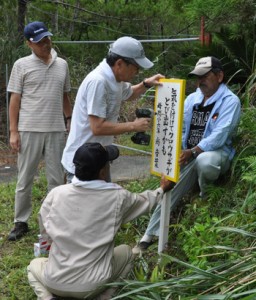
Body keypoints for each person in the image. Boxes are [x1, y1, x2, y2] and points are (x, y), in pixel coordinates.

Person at [27, 142, 172, 300]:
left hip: (55, 281)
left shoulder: (56, 194)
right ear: (103, 172)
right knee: (127, 253)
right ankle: (103, 297)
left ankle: (49, 298)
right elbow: (144, 201)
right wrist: (162, 189)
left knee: (33, 267)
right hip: (94, 285)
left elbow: (45, 231)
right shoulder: (118, 197)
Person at [137, 56, 241, 250]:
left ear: (219, 76)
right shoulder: (192, 98)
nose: (200, 81)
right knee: (169, 183)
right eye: (197, 77)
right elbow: (179, 128)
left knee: (205, 161)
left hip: (215, 154)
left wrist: (192, 152)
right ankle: (150, 234)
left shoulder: (230, 101)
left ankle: (204, 194)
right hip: (188, 153)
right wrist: (172, 156)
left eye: (205, 76)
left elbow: (219, 136)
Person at [61, 36, 164, 183]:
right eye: (136, 67)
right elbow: (97, 127)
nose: (138, 72)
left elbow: (129, 94)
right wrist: (133, 126)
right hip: (82, 163)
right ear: (120, 63)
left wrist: (146, 84)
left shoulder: (115, 78)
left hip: (98, 158)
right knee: (86, 205)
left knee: (101, 204)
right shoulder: (98, 82)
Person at [7, 21, 72, 241]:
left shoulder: (62, 64)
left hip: (55, 129)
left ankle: (55, 219)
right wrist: (14, 131)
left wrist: (69, 119)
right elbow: (14, 100)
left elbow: (65, 95)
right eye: (39, 41)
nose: (45, 43)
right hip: (29, 129)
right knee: (24, 179)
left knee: (56, 179)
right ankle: (21, 222)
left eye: (47, 38)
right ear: (29, 44)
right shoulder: (21, 65)